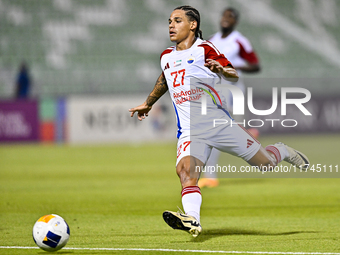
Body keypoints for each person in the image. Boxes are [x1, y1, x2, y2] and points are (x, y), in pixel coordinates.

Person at [129, 5, 309, 238]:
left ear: (193, 25)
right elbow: (165, 78)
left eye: (177, 20)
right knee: (185, 172)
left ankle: (282, 151)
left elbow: (233, 72)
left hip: (218, 124)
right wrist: (149, 102)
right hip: (190, 131)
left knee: (265, 163)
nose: (171, 25)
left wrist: (222, 69)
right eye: (169, 21)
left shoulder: (205, 49)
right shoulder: (166, 56)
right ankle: (193, 219)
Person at [198, 7, 261, 188]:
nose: (226, 19)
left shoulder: (239, 41)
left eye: (230, 17)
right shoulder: (212, 40)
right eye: (224, 15)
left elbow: (255, 65)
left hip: (233, 89)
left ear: (235, 21)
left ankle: (211, 175)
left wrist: (234, 67)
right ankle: (245, 135)